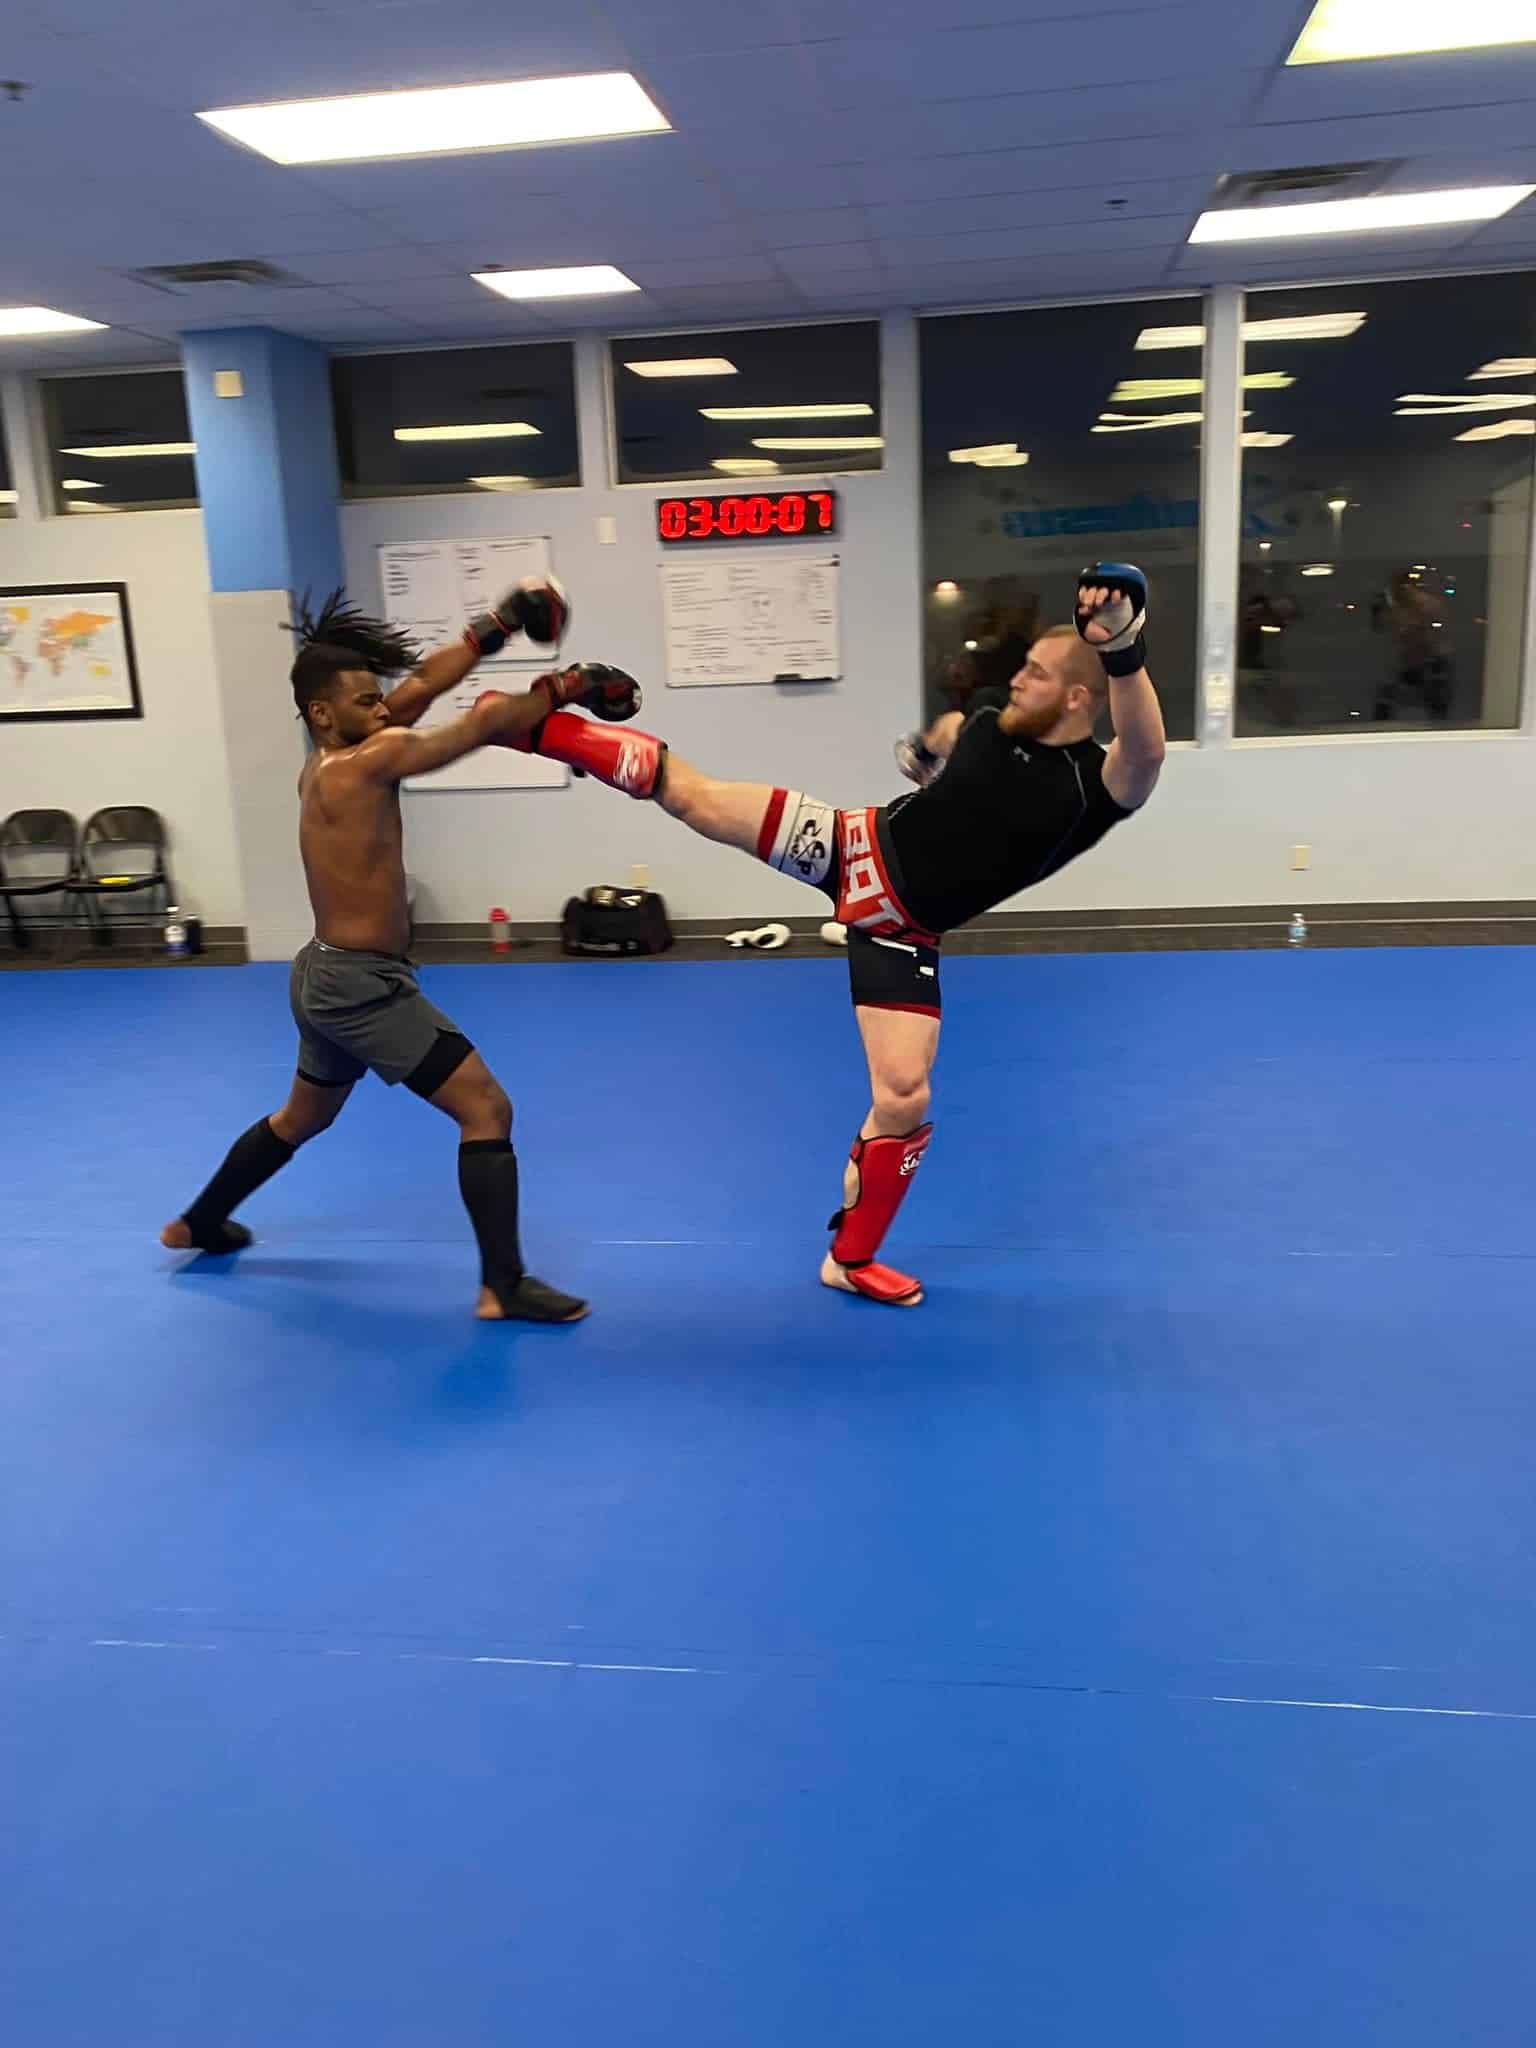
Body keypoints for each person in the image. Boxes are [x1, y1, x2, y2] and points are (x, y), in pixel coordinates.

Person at [476, 564, 1166, 1308]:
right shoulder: (997, 714)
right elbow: (954, 729)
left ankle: (850, 1256)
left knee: (903, 1097)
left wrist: (1123, 648)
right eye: (1023, 667)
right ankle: (531, 727)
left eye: (1036, 673)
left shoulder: (1097, 788)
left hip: (905, 929)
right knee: (695, 797)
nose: (1019, 679)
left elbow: (1148, 749)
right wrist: (930, 751)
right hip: (853, 845)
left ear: (1077, 698)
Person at [160, 581, 640, 1324]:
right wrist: (569, 684)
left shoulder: (329, 760)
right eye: (364, 703)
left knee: (301, 1118)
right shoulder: (362, 765)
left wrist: (496, 628)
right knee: (486, 1108)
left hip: (322, 973)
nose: (383, 710)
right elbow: (466, 732)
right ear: (323, 713)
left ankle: (199, 1222)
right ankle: (502, 1285)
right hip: (360, 987)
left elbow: (418, 688)